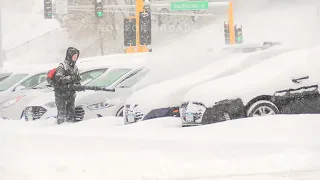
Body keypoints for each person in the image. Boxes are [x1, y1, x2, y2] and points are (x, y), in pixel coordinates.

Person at [54, 47, 81, 124]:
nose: (75, 57)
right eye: (74, 55)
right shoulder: (62, 66)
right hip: (61, 95)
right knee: (62, 115)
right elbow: (59, 79)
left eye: (76, 56)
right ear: (69, 55)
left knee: (71, 115)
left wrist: (78, 85)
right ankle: (60, 129)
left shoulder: (75, 68)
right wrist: (70, 79)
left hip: (71, 95)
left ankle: (69, 129)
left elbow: (78, 80)